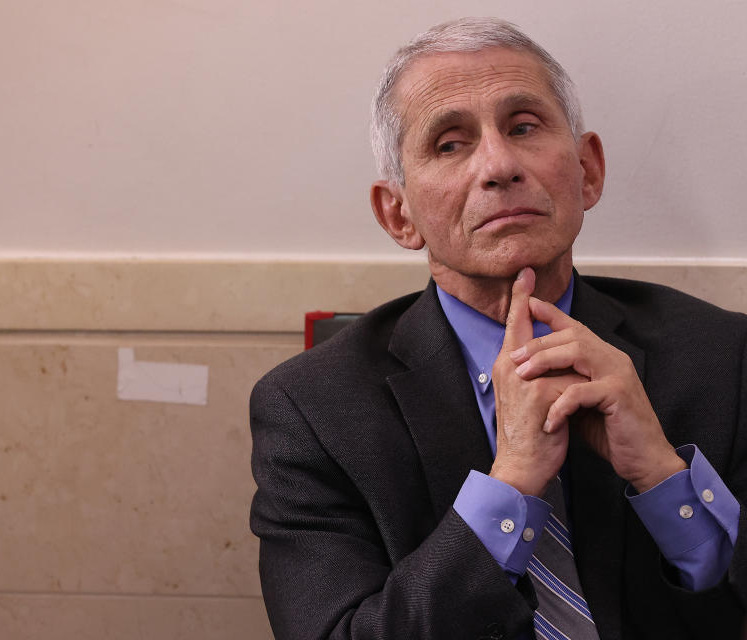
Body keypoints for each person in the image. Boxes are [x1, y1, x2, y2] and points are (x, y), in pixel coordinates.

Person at [249, 17, 747, 640]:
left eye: (524, 127)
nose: (499, 165)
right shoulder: (312, 408)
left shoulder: (724, 357)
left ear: (588, 170)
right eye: (450, 144)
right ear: (398, 214)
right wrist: (511, 484)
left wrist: (662, 474)